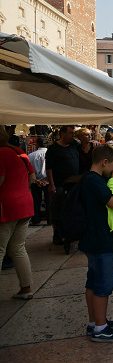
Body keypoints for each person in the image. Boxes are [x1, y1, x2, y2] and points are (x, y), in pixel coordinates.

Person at [78, 144, 113, 342]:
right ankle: (101, 328)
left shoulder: (87, 178)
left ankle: (94, 322)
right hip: (99, 238)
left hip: (90, 237)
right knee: (103, 284)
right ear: (104, 162)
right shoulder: (95, 181)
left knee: (92, 281)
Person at [0, 125, 36, 300]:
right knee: (18, 248)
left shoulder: (1, 154)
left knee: (0, 249)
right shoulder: (18, 151)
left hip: (6, 206)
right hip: (25, 203)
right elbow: (32, 177)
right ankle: (26, 288)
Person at [46, 125, 80, 245]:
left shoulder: (74, 145)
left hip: (74, 184)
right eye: (71, 133)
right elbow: (49, 168)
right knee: (57, 208)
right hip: (59, 184)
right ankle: (57, 233)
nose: (73, 135)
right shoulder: (53, 149)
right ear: (62, 133)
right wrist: (51, 184)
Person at [28, 137, 49, 226]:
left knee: (36, 201)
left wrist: (35, 180)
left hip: (35, 181)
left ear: (37, 144)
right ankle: (50, 219)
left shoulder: (31, 155)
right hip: (47, 181)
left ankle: (36, 219)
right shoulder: (50, 154)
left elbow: (29, 170)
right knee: (49, 201)